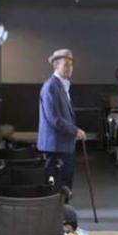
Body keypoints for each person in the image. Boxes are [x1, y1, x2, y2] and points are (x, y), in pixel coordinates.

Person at [38, 49, 86, 190]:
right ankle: (59, 211)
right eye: (66, 64)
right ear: (56, 66)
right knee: (57, 187)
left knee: (65, 185)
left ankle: (63, 210)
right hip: (55, 147)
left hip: (63, 145)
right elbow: (55, 119)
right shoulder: (51, 87)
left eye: (71, 65)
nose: (70, 68)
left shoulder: (62, 86)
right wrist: (75, 131)